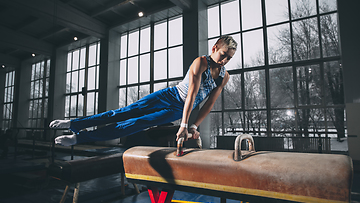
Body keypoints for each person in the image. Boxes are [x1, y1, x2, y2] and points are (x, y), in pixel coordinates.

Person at [50, 35, 237, 146]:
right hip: (170, 95)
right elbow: (192, 94)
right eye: (223, 55)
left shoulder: (224, 76)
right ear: (214, 48)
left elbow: (209, 104)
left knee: (134, 124)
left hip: (178, 109)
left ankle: (79, 139)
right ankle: (74, 123)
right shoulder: (201, 62)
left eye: (229, 58)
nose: (225, 60)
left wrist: (194, 126)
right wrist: (183, 126)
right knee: (123, 113)